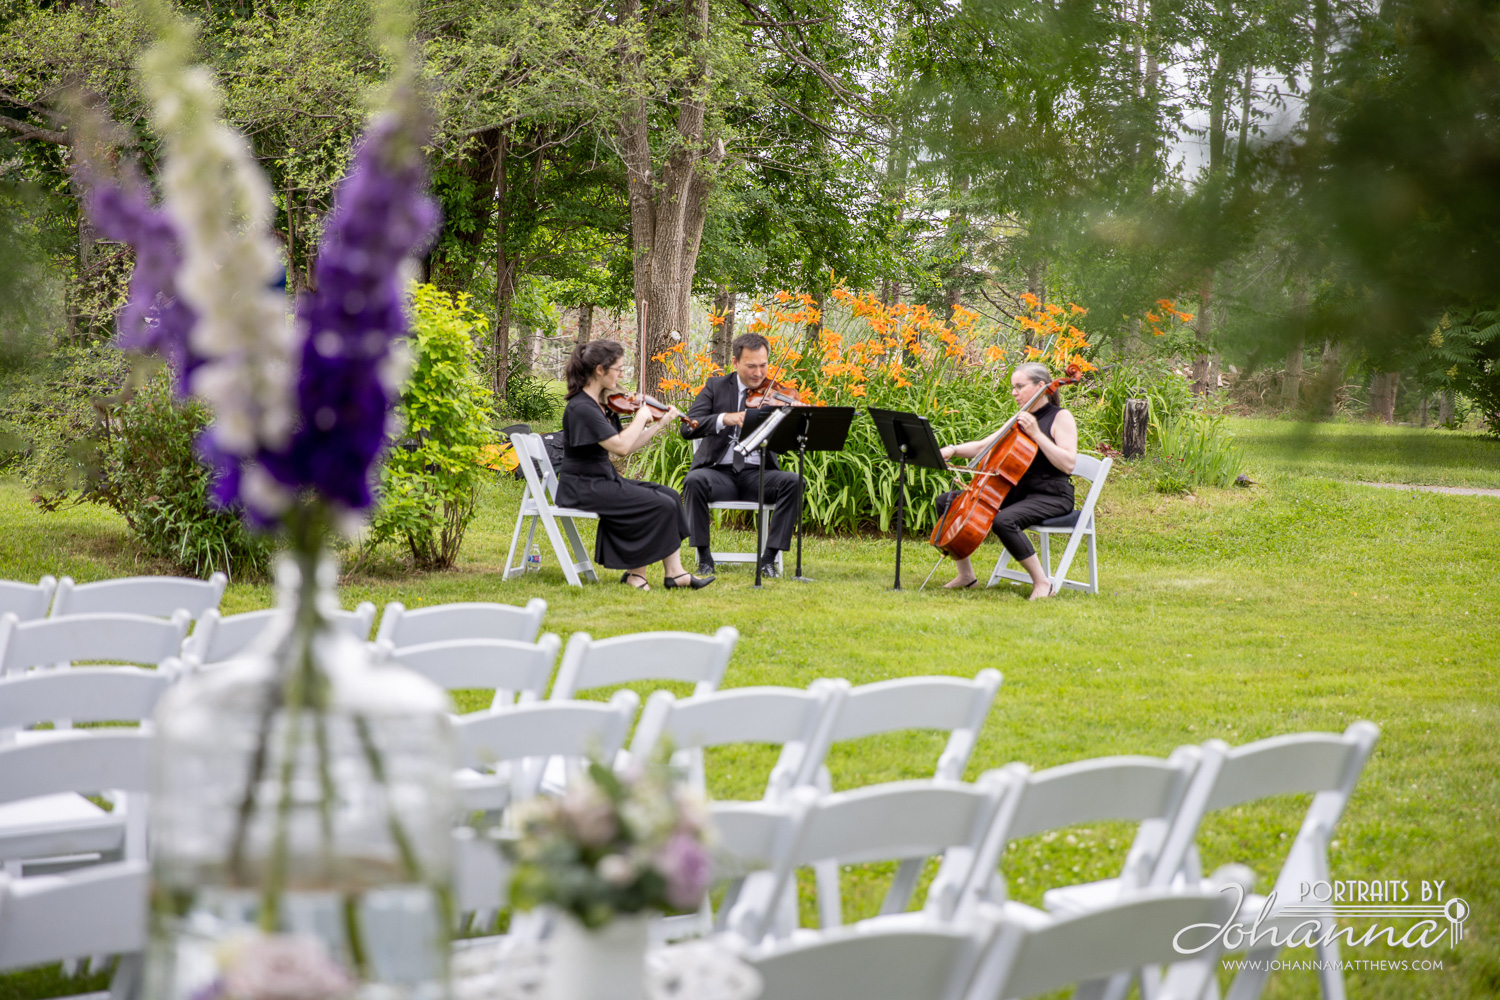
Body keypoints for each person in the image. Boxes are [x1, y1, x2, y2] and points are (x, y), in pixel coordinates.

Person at [555, 340, 713, 592]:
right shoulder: (582, 408)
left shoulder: (603, 405)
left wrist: (659, 424)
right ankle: (635, 575)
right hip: (583, 486)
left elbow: (626, 445)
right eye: (617, 368)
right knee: (655, 503)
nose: (621, 374)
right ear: (600, 370)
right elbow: (620, 447)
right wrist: (641, 416)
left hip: (602, 479)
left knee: (669, 495)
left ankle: (675, 573)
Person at [934, 362, 1078, 599]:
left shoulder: (1060, 417)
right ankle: (966, 576)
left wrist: (1036, 435)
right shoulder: (1019, 418)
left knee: (1004, 520)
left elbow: (1068, 463)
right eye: (1013, 387)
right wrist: (951, 450)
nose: (1014, 392)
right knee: (947, 501)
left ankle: (1042, 583)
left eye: (1019, 386)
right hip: (1018, 492)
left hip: (1052, 495)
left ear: (1041, 386)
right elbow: (984, 446)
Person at [679, 333, 805, 578]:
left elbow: (785, 445)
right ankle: (704, 558)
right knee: (694, 480)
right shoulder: (715, 387)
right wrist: (724, 418)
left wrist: (796, 420)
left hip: (758, 476)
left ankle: (768, 559)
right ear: (735, 363)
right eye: (751, 366)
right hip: (719, 474)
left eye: (763, 365)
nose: (759, 373)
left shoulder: (777, 394)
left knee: (793, 481)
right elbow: (688, 426)